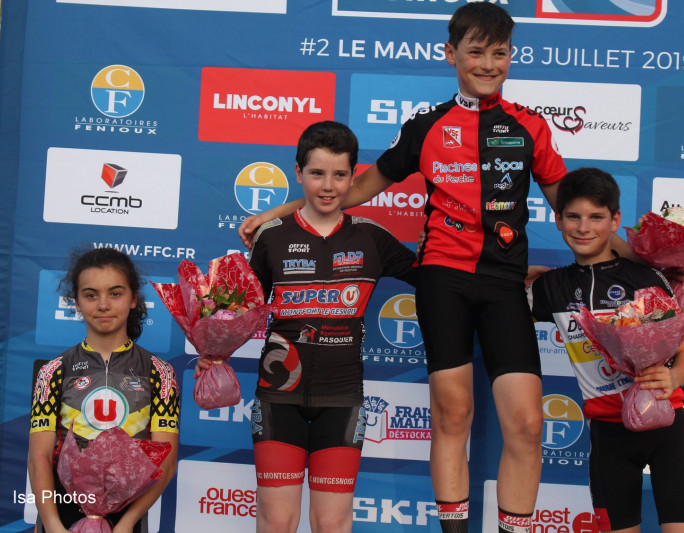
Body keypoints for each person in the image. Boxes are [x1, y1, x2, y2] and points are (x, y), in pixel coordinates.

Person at [237, 4, 585, 531]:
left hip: (504, 282)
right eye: (475, 52)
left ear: (511, 56)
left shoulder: (530, 126)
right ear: (451, 54)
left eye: (499, 53)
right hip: (442, 277)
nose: (488, 64)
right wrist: (278, 213)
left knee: (528, 423)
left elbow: (574, 213)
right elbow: (353, 188)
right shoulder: (427, 126)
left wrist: (644, 257)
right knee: (453, 413)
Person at [199, 120, 416, 533]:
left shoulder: (372, 238)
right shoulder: (271, 237)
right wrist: (213, 350)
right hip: (278, 398)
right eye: (317, 173)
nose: (328, 186)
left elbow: (438, 280)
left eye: (339, 175)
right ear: (298, 173)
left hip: (343, 398)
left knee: (331, 524)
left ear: (354, 176)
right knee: (278, 521)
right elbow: (239, 312)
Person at [528, 168, 684, 533]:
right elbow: (489, 301)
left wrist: (672, 377)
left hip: (668, 426)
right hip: (609, 436)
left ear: (614, 220)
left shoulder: (645, 278)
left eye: (596, 217)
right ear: (558, 220)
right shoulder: (551, 287)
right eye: (573, 217)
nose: (583, 228)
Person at [28, 248, 180, 533]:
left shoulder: (160, 372)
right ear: (76, 302)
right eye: (90, 295)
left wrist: (127, 523)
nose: (103, 305)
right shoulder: (53, 371)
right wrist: (52, 524)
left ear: (133, 298)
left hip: (127, 516)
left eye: (115, 293)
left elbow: (166, 463)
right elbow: (39, 459)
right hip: (61, 513)